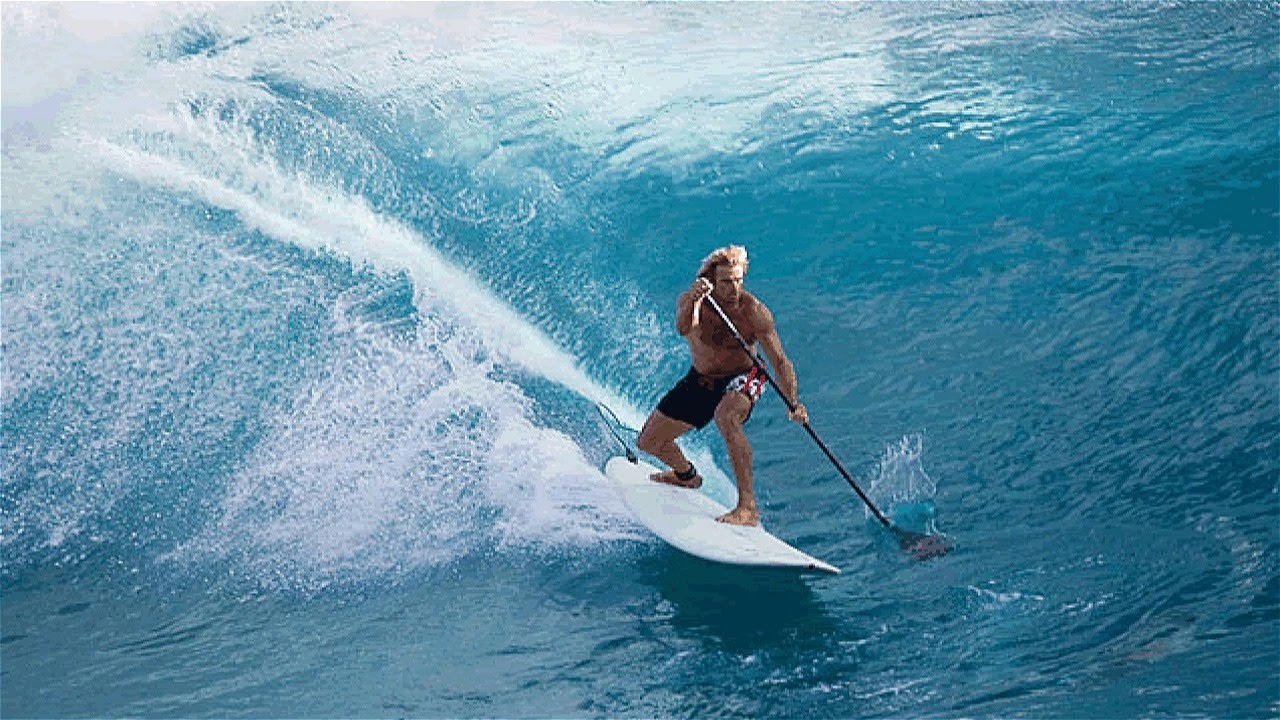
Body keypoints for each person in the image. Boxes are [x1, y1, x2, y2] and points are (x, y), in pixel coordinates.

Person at [636, 245, 808, 526]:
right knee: (649, 442)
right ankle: (685, 476)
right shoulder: (692, 300)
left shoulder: (754, 312)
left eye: (738, 280)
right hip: (702, 379)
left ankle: (748, 508)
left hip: (744, 376)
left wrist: (794, 402)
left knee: (726, 417)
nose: (733, 288)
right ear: (713, 279)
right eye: (726, 282)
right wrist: (694, 301)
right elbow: (683, 328)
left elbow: (779, 361)